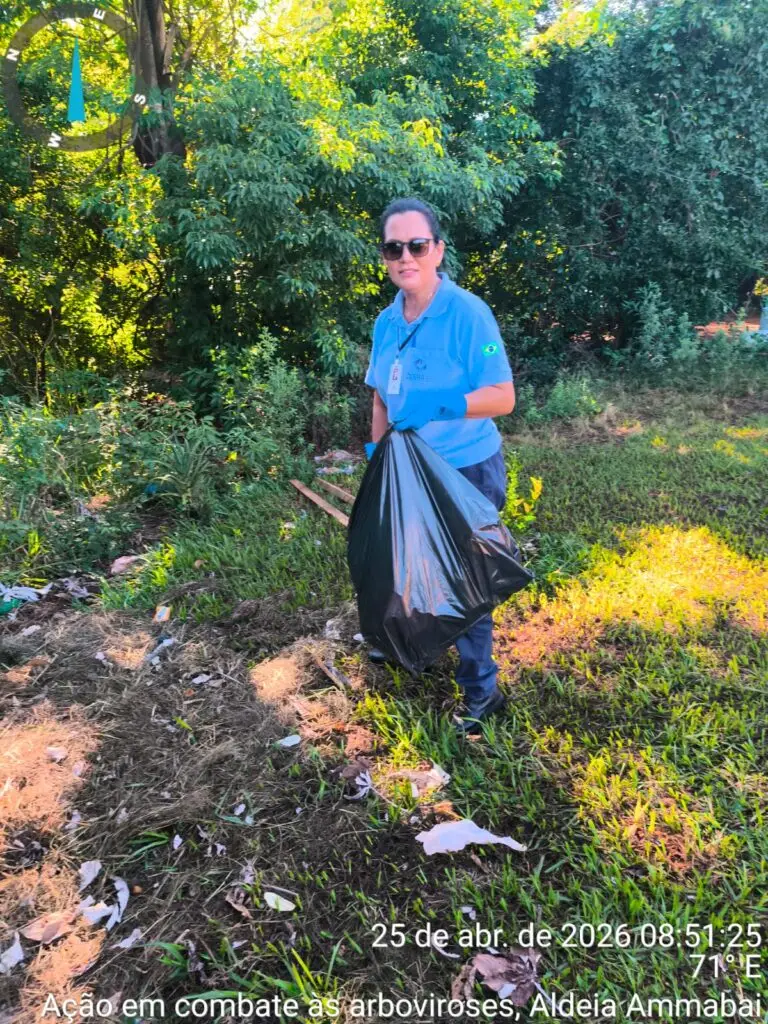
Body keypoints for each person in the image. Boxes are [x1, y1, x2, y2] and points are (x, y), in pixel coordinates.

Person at [364, 197, 516, 735]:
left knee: (466, 581)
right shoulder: (387, 321)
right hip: (407, 471)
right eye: (393, 247)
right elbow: (381, 396)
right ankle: (416, 646)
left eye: (416, 245)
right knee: (409, 568)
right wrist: (377, 453)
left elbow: (503, 397)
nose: (405, 256)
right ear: (384, 256)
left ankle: (482, 694)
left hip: (462, 471)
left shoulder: (467, 314)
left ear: (437, 251)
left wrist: (447, 405)